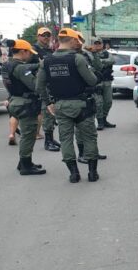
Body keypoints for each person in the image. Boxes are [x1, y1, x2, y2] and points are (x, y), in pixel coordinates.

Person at [36, 28, 100, 183]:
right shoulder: (77, 59)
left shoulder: (46, 61)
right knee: (89, 138)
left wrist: (49, 103)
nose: (78, 43)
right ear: (71, 40)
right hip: (82, 104)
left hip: (61, 105)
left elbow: (39, 86)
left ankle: (73, 174)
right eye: (76, 40)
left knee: (65, 139)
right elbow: (92, 81)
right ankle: (92, 173)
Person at [1, 40, 47, 175]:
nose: (30, 55)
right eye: (29, 52)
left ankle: (23, 163)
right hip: (25, 103)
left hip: (14, 101)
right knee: (28, 135)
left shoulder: (7, 65)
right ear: (22, 51)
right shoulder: (21, 68)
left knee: (27, 134)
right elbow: (35, 86)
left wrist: (36, 66)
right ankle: (26, 166)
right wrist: (39, 73)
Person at [33, 27, 60, 152]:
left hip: (51, 84)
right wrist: (40, 64)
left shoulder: (50, 50)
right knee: (47, 112)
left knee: (51, 113)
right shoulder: (34, 51)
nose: (46, 37)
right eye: (43, 35)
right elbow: (26, 65)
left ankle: (51, 138)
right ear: (38, 36)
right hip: (41, 85)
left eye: (48, 35)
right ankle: (47, 141)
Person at [91, 37, 116, 129]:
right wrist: (102, 63)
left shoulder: (107, 53)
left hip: (106, 81)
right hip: (96, 82)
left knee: (108, 102)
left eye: (99, 43)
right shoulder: (90, 54)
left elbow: (112, 60)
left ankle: (104, 119)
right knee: (99, 103)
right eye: (96, 43)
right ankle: (100, 122)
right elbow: (90, 65)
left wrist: (100, 61)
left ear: (102, 44)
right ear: (93, 44)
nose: (97, 45)